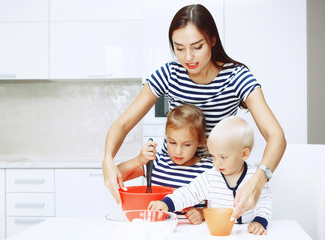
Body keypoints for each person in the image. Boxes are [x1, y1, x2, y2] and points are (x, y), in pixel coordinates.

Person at [102, 4, 286, 221]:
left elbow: (276, 136)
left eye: (197, 46)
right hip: (171, 173)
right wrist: (108, 159)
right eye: (179, 48)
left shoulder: (237, 77)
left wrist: (258, 180)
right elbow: (122, 124)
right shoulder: (169, 74)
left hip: (215, 176)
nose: (188, 57)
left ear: (212, 40)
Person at [149, 116, 272, 235]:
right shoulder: (210, 177)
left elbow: (264, 203)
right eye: (213, 156)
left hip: (247, 232)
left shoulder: (256, 178)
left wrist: (259, 221)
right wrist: (167, 203)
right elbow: (189, 192)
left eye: (223, 157)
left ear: (244, 154)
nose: (217, 163)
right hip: (216, 232)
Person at [118, 104, 212, 224]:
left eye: (186, 145)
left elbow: (221, 205)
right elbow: (117, 175)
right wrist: (139, 160)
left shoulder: (209, 169)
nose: (178, 151)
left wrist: (202, 213)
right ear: (166, 138)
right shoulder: (156, 163)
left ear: (201, 141)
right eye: (172, 142)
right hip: (157, 231)